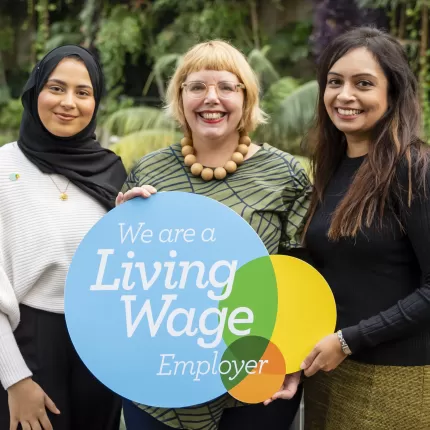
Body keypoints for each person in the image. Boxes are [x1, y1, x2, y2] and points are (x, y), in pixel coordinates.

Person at [116, 40, 311, 430]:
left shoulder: (285, 175)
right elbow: (124, 280)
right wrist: (121, 228)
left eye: (226, 86)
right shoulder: (149, 171)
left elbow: (300, 276)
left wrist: (293, 359)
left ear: (246, 98)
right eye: (197, 87)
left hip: (253, 377)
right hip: (159, 376)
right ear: (180, 97)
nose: (211, 98)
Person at [300, 27, 430, 430]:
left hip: (395, 376)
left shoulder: (413, 168)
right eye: (334, 82)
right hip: (327, 369)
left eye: (364, 84)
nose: (344, 95)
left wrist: (350, 339)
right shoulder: (332, 168)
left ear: (393, 94)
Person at [0, 45, 126, 430]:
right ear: (35, 90)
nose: (68, 102)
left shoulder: (112, 173)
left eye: (83, 92)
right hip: (28, 342)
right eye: (56, 88)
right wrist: (15, 379)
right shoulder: (4, 167)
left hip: (101, 344)